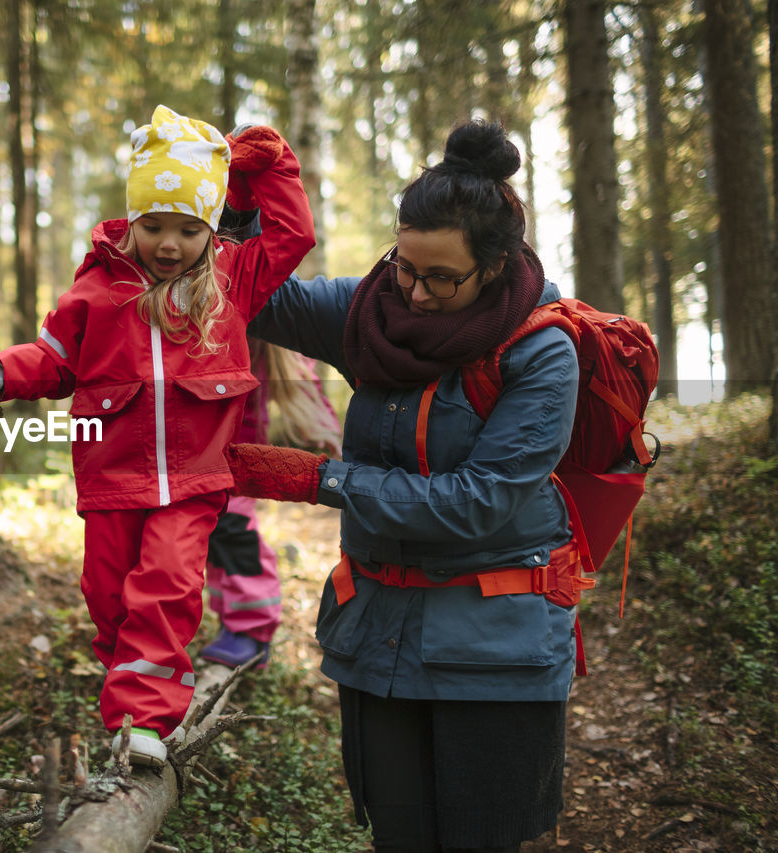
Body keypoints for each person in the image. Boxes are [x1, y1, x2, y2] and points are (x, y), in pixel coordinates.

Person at [231, 119, 583, 852]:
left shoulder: (543, 351)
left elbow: (478, 501)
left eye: (441, 277)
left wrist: (322, 478)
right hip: (380, 637)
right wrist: (238, 209)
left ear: (494, 264)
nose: (415, 293)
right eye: (404, 267)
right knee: (397, 837)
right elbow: (252, 296)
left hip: (497, 654)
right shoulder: (369, 314)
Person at [0, 105, 315, 768]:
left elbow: (292, 236)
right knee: (108, 592)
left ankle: (141, 719)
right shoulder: (96, 290)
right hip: (112, 477)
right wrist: (3, 372)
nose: (169, 244)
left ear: (209, 228)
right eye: (154, 225)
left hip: (193, 481)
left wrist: (270, 163)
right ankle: (131, 680)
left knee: (166, 586)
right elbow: (54, 359)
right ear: (132, 220)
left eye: (189, 229)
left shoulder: (229, 280)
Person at [200, 337, 341, 668]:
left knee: (234, 529)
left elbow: (302, 379)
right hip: (197, 450)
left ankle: (252, 631)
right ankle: (233, 624)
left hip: (240, 452)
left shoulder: (259, 339)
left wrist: (325, 429)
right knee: (212, 534)